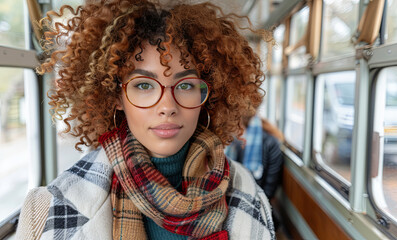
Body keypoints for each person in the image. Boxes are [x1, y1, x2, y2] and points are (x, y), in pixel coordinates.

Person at [16, 0, 275, 239]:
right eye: (143, 85)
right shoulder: (47, 208)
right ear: (116, 96)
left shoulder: (248, 193)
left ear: (208, 93)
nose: (167, 106)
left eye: (185, 86)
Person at [225, 115, 284, 200]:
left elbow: (270, 188)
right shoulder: (232, 141)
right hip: (234, 194)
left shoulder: (270, 143)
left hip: (258, 198)